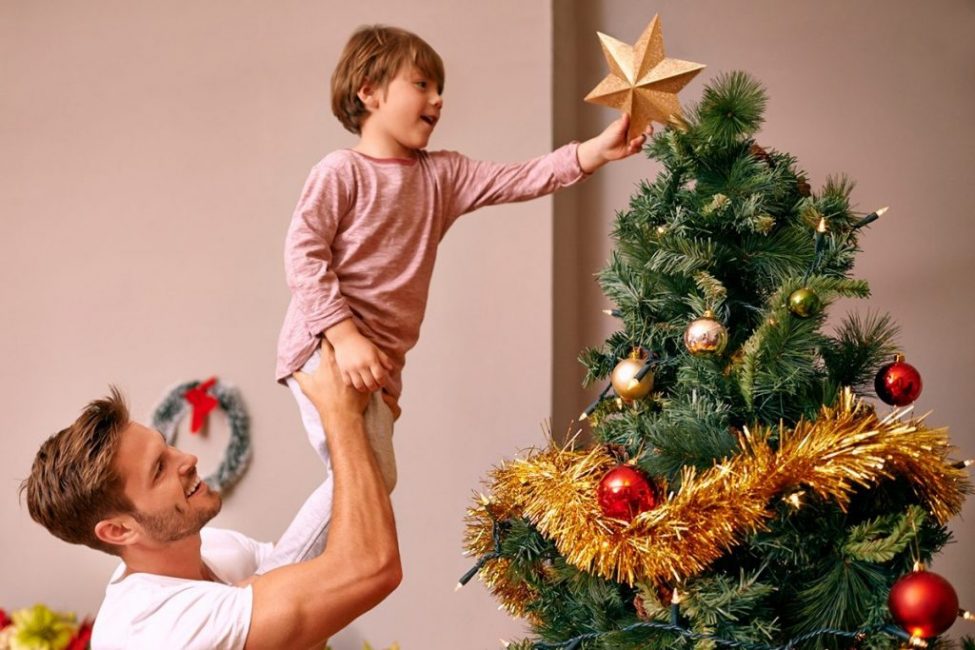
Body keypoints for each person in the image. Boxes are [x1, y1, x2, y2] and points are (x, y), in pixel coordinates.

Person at [275, 25, 651, 546]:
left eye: (439, 88)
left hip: (378, 364)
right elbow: (303, 253)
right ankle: (276, 581)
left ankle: (297, 589)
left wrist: (594, 151)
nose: (438, 98)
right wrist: (344, 336)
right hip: (327, 347)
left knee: (372, 483)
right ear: (369, 91)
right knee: (362, 479)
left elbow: (522, 177)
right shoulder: (341, 171)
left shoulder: (440, 176)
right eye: (422, 84)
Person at [21, 340, 399, 649]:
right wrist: (341, 419)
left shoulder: (215, 548)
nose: (187, 459)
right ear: (118, 531)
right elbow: (369, 569)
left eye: (167, 447)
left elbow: (323, 562)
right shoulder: (156, 631)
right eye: (159, 470)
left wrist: (366, 428)